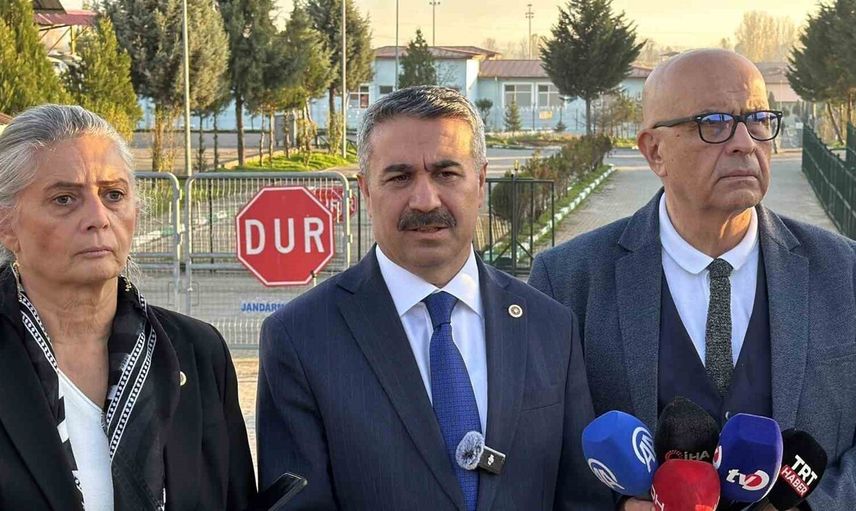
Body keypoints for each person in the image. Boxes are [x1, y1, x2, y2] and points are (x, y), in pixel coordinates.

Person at [529, 49, 856, 510]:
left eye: (758, 120)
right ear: (654, 151)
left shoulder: (844, 271)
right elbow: (540, 448)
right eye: (715, 123)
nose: (744, 142)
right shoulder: (567, 280)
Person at [256, 86, 612, 510]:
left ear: (480, 182)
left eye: (446, 173)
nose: (425, 201)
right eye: (399, 177)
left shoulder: (550, 326)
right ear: (365, 190)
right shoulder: (301, 338)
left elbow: (581, 499)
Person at [0, 105, 256, 510]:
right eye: (64, 199)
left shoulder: (196, 352)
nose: (98, 218)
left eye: (114, 195)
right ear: (7, 225)